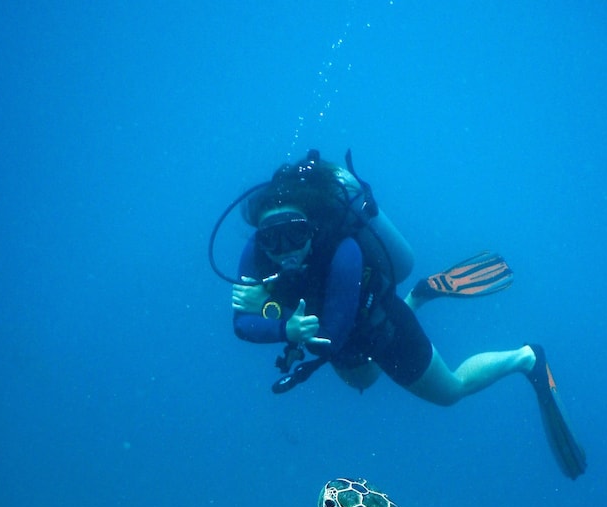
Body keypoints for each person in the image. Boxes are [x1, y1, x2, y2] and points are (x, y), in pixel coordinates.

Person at [228, 150, 586, 479]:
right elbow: (241, 324)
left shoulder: (344, 250)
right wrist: (284, 325)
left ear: (313, 229)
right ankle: (419, 294)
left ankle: (526, 358)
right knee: (362, 381)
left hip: (380, 324)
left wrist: (280, 315)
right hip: (334, 331)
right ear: (260, 238)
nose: (283, 250)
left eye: (294, 235)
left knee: (451, 392)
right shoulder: (256, 254)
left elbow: (330, 339)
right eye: (272, 240)